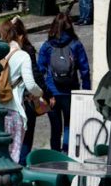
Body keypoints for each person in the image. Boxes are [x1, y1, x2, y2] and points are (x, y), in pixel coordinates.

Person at [37, 13, 92, 153]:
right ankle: (66, 153)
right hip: (71, 92)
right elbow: (85, 70)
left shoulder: (47, 46)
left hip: (52, 94)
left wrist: (45, 93)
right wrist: (85, 92)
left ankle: (54, 156)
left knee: (55, 128)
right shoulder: (76, 44)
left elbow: (39, 71)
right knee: (69, 125)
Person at [0, 20, 43, 165]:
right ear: (19, 36)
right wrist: (40, 93)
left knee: (0, 155)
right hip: (14, 109)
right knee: (14, 157)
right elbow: (30, 84)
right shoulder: (23, 56)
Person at [10, 16, 50, 165]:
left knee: (11, 142)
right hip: (25, 101)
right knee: (25, 140)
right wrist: (44, 93)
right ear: (21, 35)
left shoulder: (2, 50)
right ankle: (21, 174)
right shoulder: (26, 52)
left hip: (6, 102)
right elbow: (34, 77)